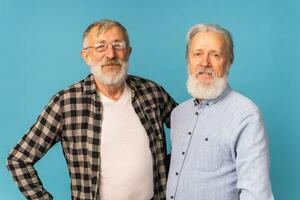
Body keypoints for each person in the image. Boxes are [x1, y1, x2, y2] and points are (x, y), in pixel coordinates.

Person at [7, 19, 177, 200]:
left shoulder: (152, 92)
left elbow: (192, 132)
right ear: (86, 56)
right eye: (100, 47)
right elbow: (18, 160)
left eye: (118, 45)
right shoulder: (66, 103)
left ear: (128, 52)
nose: (110, 54)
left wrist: (174, 168)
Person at [166, 24, 274, 200]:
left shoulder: (245, 115)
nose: (205, 63)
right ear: (188, 60)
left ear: (229, 61)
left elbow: (256, 193)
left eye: (215, 55)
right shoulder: (178, 114)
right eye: (197, 54)